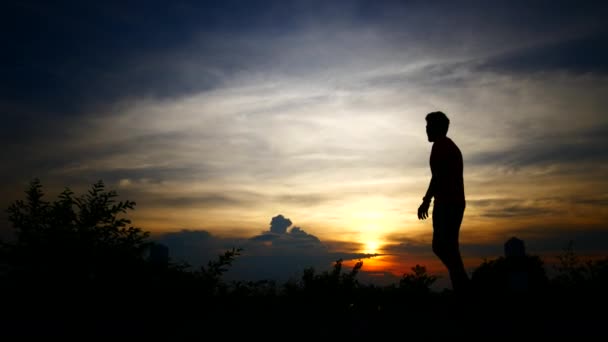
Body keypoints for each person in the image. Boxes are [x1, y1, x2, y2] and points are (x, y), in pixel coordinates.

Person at [417, 111, 470, 292]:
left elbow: (437, 177)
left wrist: (426, 201)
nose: (426, 129)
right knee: (448, 248)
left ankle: (463, 284)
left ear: (437, 127)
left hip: (448, 203)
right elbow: (438, 176)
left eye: (429, 126)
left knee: (441, 246)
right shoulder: (447, 146)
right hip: (453, 202)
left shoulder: (442, 146)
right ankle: (462, 287)